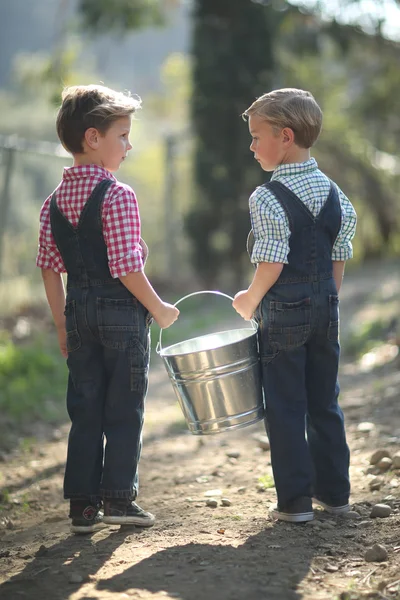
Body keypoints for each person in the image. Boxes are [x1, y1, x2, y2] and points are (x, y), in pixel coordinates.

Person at [36, 84, 179, 534]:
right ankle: (118, 499)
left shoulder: (53, 204)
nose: (129, 145)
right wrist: (158, 308)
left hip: (77, 312)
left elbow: (49, 271)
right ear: (93, 138)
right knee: (124, 407)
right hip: (121, 316)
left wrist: (62, 326)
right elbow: (127, 267)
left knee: (86, 409)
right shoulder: (118, 195)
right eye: (122, 135)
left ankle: (82, 507)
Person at [232, 88, 357, 523]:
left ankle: (296, 503)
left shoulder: (266, 197)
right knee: (325, 401)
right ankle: (336, 494)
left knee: (286, 405)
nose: (251, 146)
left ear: (285, 137)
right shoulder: (335, 193)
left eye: (255, 136)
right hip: (326, 308)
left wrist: (250, 299)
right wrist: (328, 296)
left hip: (283, 314)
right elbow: (340, 252)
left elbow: (271, 260)